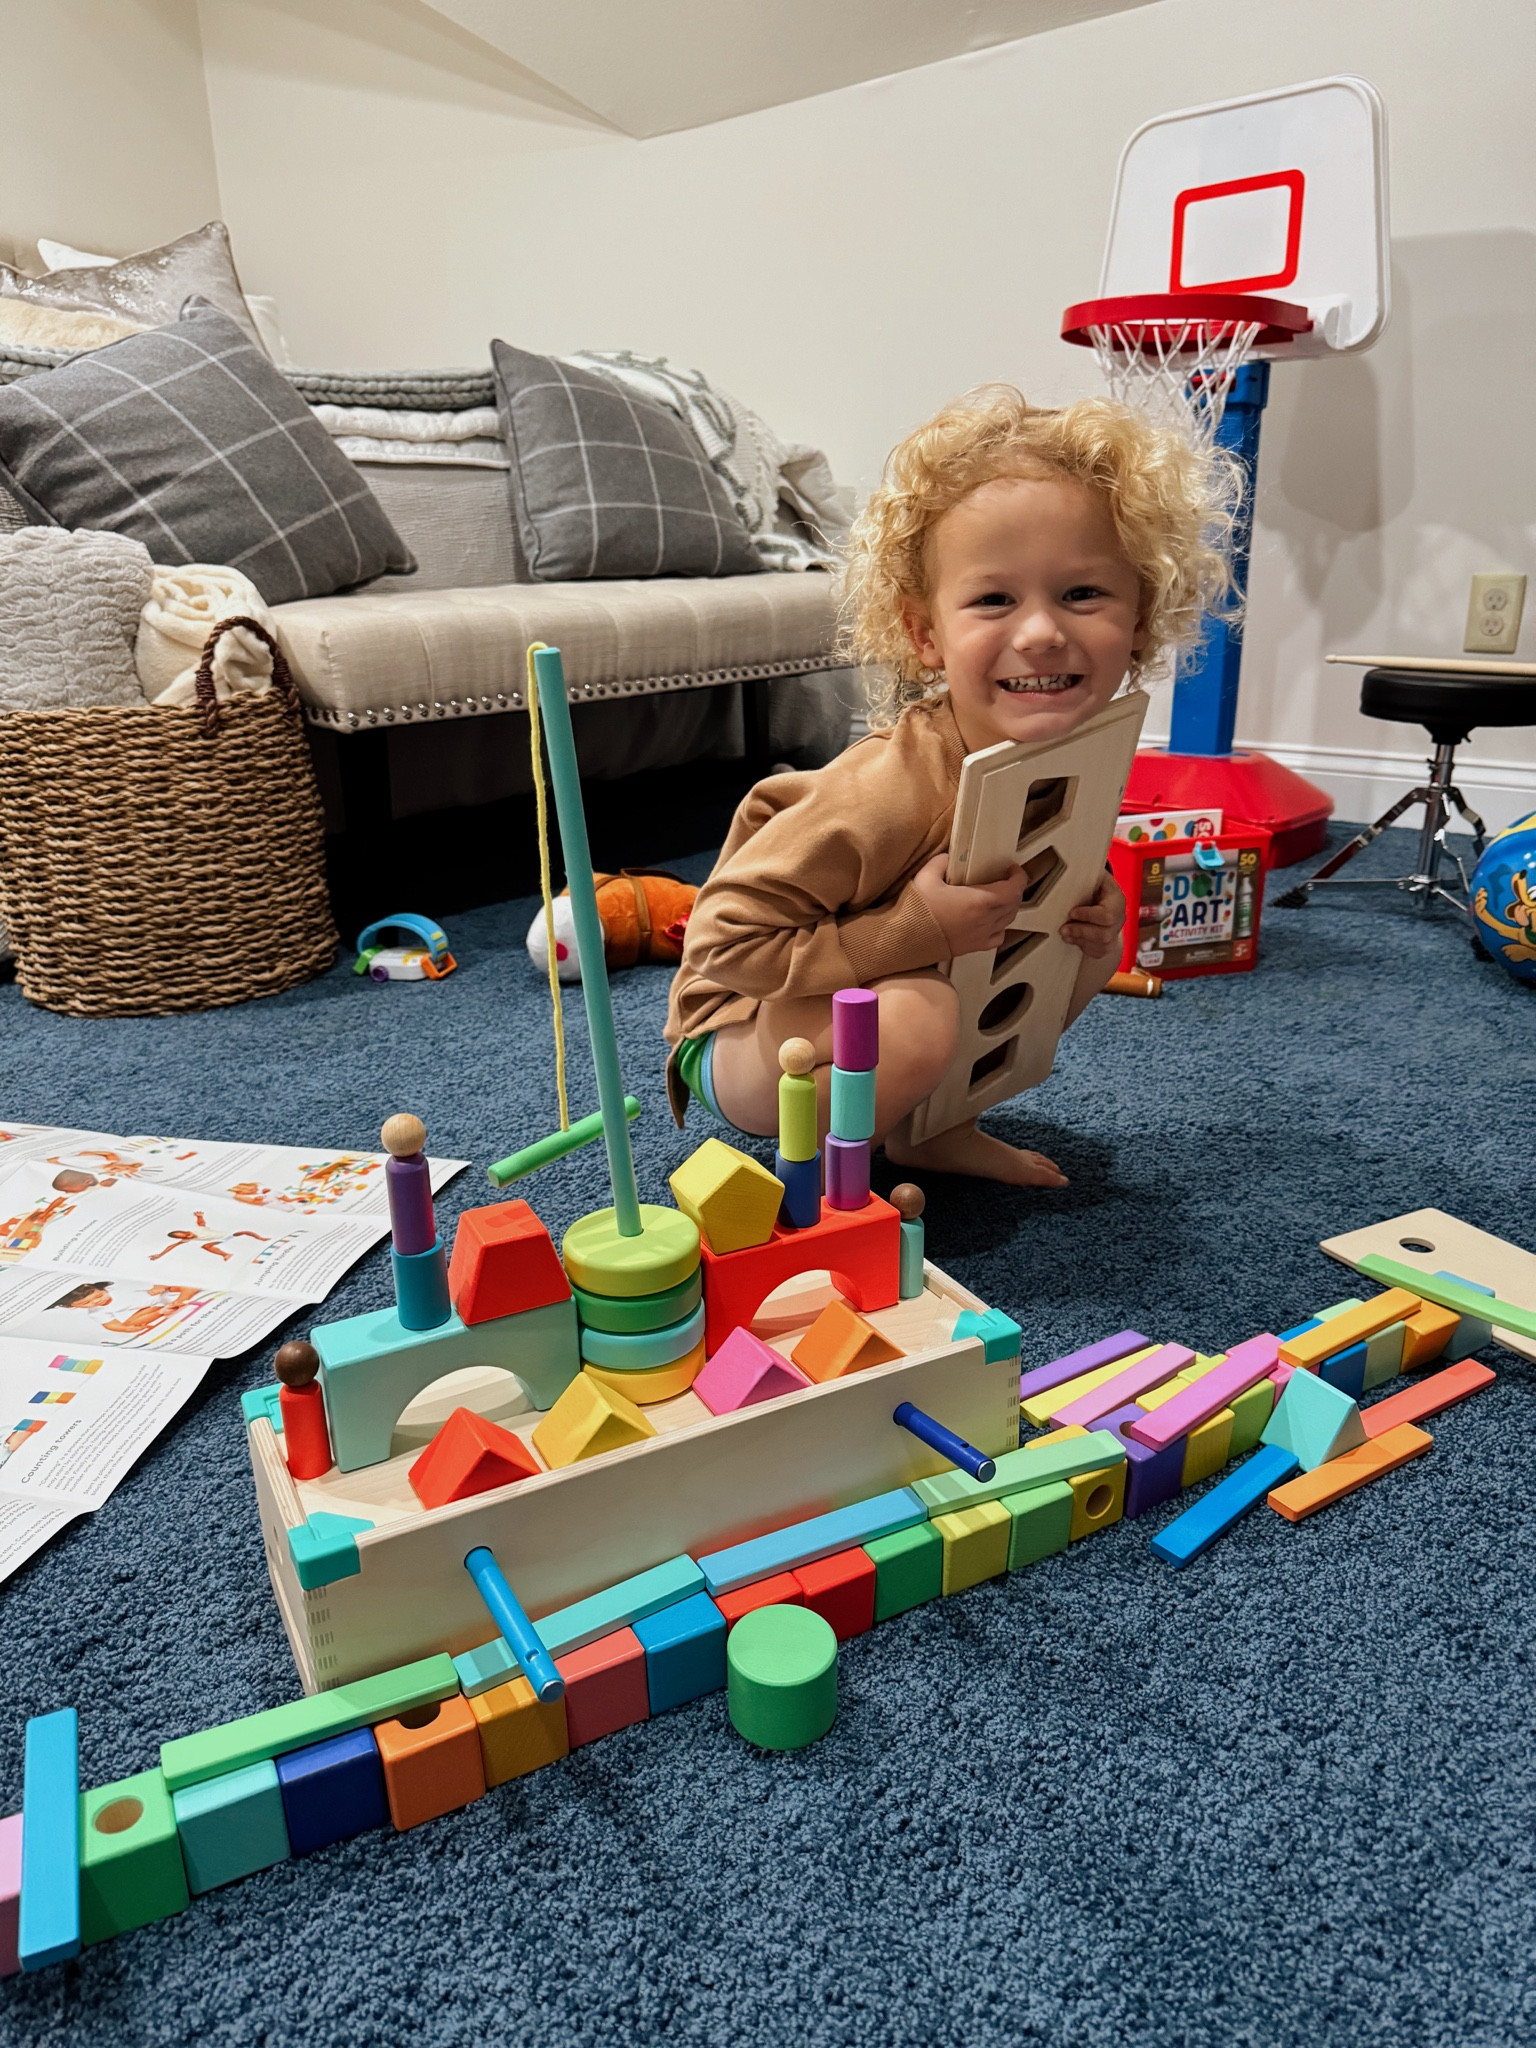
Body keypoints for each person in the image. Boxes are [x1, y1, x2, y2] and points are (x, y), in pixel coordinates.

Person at [664, 386, 1234, 1185]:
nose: (1041, 632)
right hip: (741, 1030)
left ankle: (930, 1128)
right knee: (917, 1017)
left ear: (1141, 617)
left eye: (1083, 593)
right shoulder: (887, 788)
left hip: (872, 990)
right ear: (925, 634)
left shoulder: (1079, 753)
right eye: (994, 599)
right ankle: (841, 1178)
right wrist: (914, 931)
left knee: (1079, 944)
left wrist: (1090, 920)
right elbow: (724, 944)